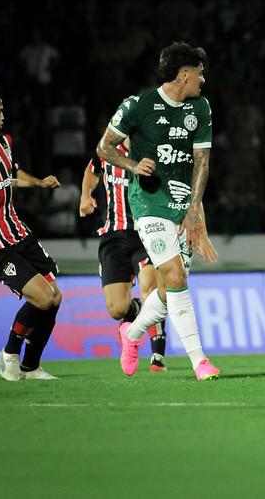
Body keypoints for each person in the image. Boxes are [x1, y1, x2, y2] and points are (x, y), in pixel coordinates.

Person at [97, 42, 220, 381]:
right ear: (184, 74)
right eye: (199, 73)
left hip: (184, 204)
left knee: (167, 291)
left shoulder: (201, 107)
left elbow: (202, 161)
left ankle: (131, 334)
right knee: (177, 278)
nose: (203, 79)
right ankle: (200, 362)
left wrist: (195, 210)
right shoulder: (138, 106)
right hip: (149, 204)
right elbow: (104, 147)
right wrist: (133, 164)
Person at [0, 82, 62, 381]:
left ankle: (31, 365)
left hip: (18, 232)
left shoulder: (3, 143)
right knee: (42, 298)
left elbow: (11, 175)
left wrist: (38, 182)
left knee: (55, 297)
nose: (3, 115)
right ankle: (9, 352)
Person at [80, 137, 168, 372]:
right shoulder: (105, 151)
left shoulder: (152, 150)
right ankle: (135, 313)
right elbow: (91, 171)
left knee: (150, 285)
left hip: (145, 232)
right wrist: (85, 195)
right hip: (113, 236)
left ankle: (157, 355)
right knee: (117, 310)